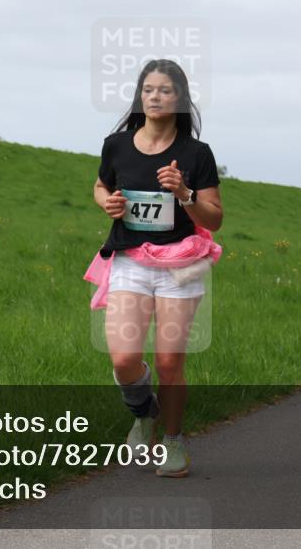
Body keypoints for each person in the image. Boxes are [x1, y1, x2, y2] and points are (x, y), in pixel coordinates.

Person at [86, 59, 223, 478]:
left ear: (179, 98)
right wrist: (104, 202)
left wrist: (184, 192)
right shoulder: (117, 145)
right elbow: (101, 185)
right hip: (129, 259)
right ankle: (145, 412)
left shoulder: (195, 154)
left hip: (179, 264)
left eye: (164, 90)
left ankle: (173, 441)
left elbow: (214, 218)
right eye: (148, 89)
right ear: (139, 96)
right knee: (125, 358)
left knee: (168, 363)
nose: (155, 96)